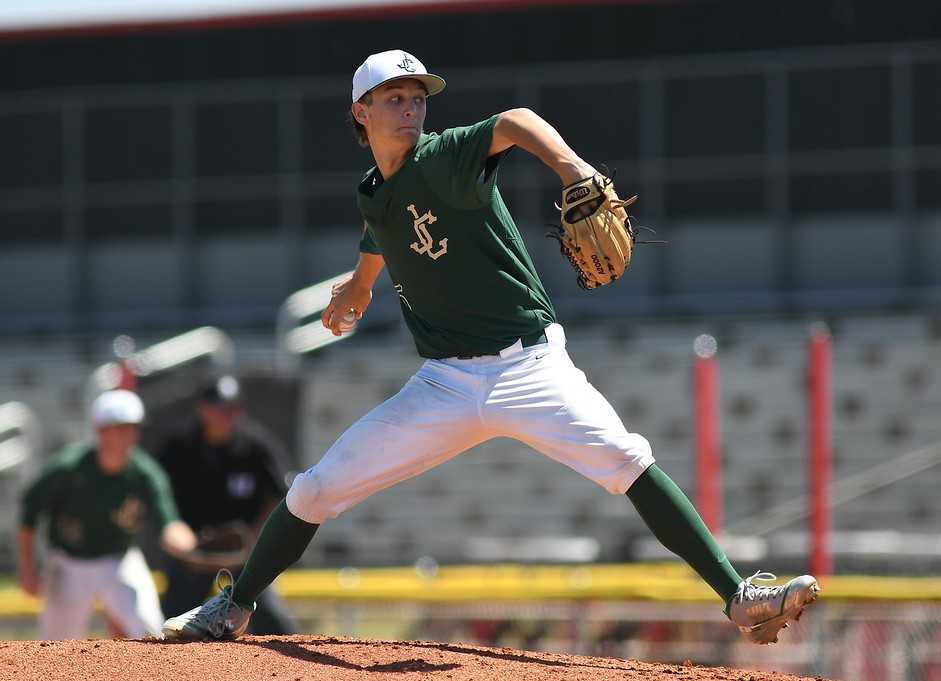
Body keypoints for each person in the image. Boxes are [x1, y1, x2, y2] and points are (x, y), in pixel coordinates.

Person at [164, 49, 819, 645]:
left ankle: (737, 593)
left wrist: (572, 167)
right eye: (394, 97)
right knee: (314, 488)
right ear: (360, 113)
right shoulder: (373, 189)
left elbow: (515, 118)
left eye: (418, 95)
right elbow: (381, 229)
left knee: (627, 458)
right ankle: (234, 605)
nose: (411, 106)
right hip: (443, 384)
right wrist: (358, 288)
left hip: (529, 365)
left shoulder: (445, 156)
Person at [17, 390, 197, 640]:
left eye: (133, 427)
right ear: (101, 430)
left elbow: (170, 524)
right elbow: (28, 515)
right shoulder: (68, 468)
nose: (129, 435)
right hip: (69, 563)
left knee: (151, 631)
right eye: (120, 427)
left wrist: (191, 547)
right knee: (55, 645)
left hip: (119, 560)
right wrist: (28, 568)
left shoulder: (145, 473)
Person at [154, 375, 296, 635]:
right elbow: (157, 494)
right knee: (171, 625)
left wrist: (257, 536)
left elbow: (282, 493)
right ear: (203, 409)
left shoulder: (255, 446)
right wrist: (174, 528)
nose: (228, 415)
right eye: (221, 408)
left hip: (241, 555)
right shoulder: (178, 447)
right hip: (194, 553)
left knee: (275, 625)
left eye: (234, 408)